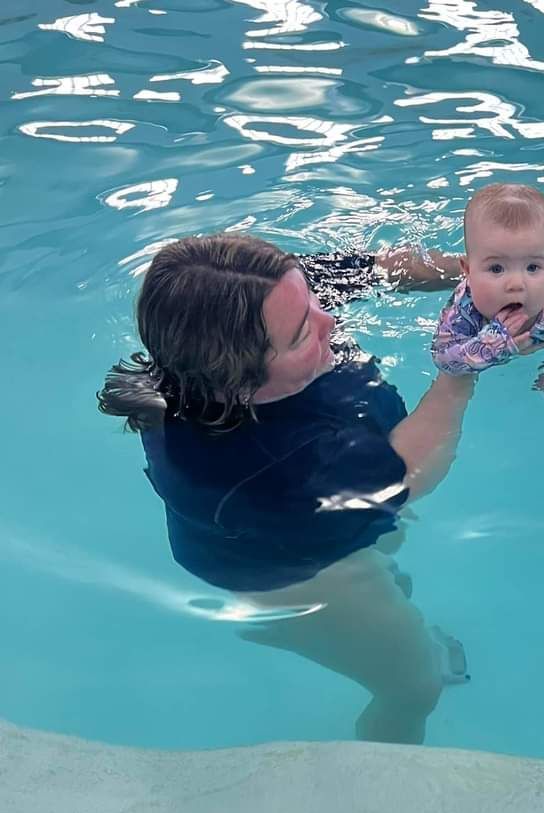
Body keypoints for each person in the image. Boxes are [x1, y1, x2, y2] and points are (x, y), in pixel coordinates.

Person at [98, 236, 505, 745]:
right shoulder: (276, 463)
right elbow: (407, 477)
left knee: (385, 559)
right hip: (290, 575)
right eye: (299, 336)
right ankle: (384, 771)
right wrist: (458, 374)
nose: (327, 320)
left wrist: (489, 276)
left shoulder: (261, 302)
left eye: (311, 299)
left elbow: (378, 267)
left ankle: (381, 609)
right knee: (416, 686)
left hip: (313, 515)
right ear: (237, 382)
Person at [430, 184, 544, 393]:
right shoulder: (463, 311)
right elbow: (444, 359)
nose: (516, 284)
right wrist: (490, 346)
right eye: (496, 268)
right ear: (468, 271)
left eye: (532, 267)